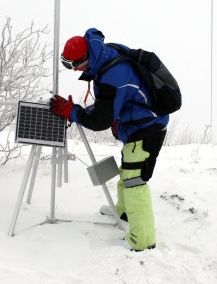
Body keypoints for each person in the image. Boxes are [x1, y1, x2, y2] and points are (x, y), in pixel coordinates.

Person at [49, 28, 169, 251]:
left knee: (135, 181)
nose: (73, 69)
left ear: (85, 58)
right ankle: (124, 213)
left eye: (73, 64)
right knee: (128, 173)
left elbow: (100, 121)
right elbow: (113, 101)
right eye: (67, 64)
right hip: (137, 123)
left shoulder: (111, 75)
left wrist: (71, 111)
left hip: (146, 128)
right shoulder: (104, 55)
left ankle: (142, 240)